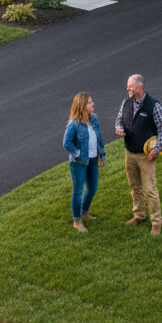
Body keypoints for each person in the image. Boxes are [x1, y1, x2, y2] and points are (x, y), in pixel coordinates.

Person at [114, 74, 162, 236]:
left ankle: (156, 223)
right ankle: (139, 215)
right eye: (128, 86)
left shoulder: (153, 105)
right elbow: (119, 119)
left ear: (140, 87)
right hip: (129, 152)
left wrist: (157, 148)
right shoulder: (126, 103)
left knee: (150, 189)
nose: (127, 89)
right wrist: (119, 128)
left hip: (146, 156)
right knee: (134, 186)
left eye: (130, 86)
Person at [62, 92, 106, 233]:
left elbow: (98, 139)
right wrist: (78, 153)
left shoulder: (94, 118)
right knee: (78, 191)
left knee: (93, 188)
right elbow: (66, 143)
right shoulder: (73, 124)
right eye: (90, 102)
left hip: (93, 160)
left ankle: (85, 212)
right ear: (82, 106)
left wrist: (100, 156)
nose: (93, 104)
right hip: (78, 163)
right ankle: (77, 221)